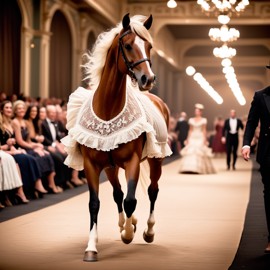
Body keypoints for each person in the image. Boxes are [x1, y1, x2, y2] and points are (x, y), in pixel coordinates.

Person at [241, 63, 270, 254]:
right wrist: (246, 143)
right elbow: (251, 122)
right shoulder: (261, 95)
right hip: (268, 152)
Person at [12, 100, 62, 194]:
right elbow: (20, 142)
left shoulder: (23, 121)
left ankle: (50, 183)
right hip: (20, 148)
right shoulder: (15, 122)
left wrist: (36, 145)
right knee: (37, 157)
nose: (21, 110)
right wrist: (34, 147)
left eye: (23, 108)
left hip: (27, 146)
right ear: (15, 111)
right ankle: (37, 185)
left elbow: (28, 140)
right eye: (19, 108)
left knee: (46, 155)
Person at [0, 100, 48, 199]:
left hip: (14, 149)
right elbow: (16, 142)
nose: (9, 109)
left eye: (10, 107)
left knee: (35, 157)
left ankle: (36, 187)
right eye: (7, 108)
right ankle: (29, 189)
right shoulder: (10, 123)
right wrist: (15, 149)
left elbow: (24, 140)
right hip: (9, 151)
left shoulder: (10, 122)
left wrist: (36, 145)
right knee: (29, 159)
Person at [41, 105, 84, 187]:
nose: (53, 114)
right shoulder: (43, 123)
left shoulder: (56, 123)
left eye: (54, 112)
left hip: (56, 145)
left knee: (73, 154)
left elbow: (58, 136)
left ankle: (70, 179)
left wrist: (61, 144)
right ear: (47, 113)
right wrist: (54, 145)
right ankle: (60, 182)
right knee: (61, 158)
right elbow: (44, 138)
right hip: (48, 146)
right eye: (51, 112)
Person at [178, 103, 216, 174]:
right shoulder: (191, 120)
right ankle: (188, 168)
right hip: (193, 136)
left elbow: (204, 130)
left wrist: (205, 139)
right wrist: (187, 139)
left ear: (201, 112)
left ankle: (199, 169)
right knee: (191, 150)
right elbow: (190, 130)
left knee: (199, 151)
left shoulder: (204, 120)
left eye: (198, 111)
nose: (196, 112)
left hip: (200, 136)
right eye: (195, 111)